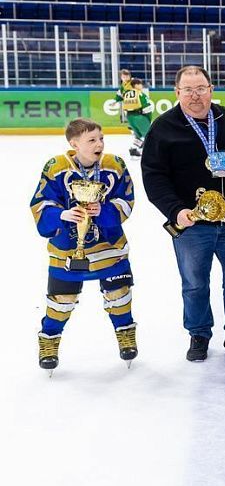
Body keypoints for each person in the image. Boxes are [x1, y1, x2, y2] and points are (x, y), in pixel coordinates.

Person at [141, 66, 225, 361]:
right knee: (195, 283)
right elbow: (153, 177)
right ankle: (199, 333)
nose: (195, 96)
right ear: (177, 92)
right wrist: (176, 210)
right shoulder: (163, 128)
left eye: (200, 88)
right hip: (192, 224)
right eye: (188, 90)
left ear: (211, 89)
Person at [30, 118, 137, 371]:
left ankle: (126, 334)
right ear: (74, 144)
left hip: (108, 246)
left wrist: (106, 210)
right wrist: (62, 214)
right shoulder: (56, 167)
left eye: (101, 138)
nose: (99, 144)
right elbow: (40, 203)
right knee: (61, 299)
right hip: (68, 247)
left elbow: (127, 199)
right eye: (91, 140)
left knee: (119, 294)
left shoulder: (115, 165)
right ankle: (49, 341)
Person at [116, 77, 154, 157]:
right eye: (140, 84)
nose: (141, 85)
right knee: (150, 134)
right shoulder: (139, 93)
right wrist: (148, 119)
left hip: (129, 116)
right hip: (140, 116)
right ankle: (152, 152)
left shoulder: (126, 94)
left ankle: (133, 148)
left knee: (138, 135)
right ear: (135, 85)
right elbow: (146, 107)